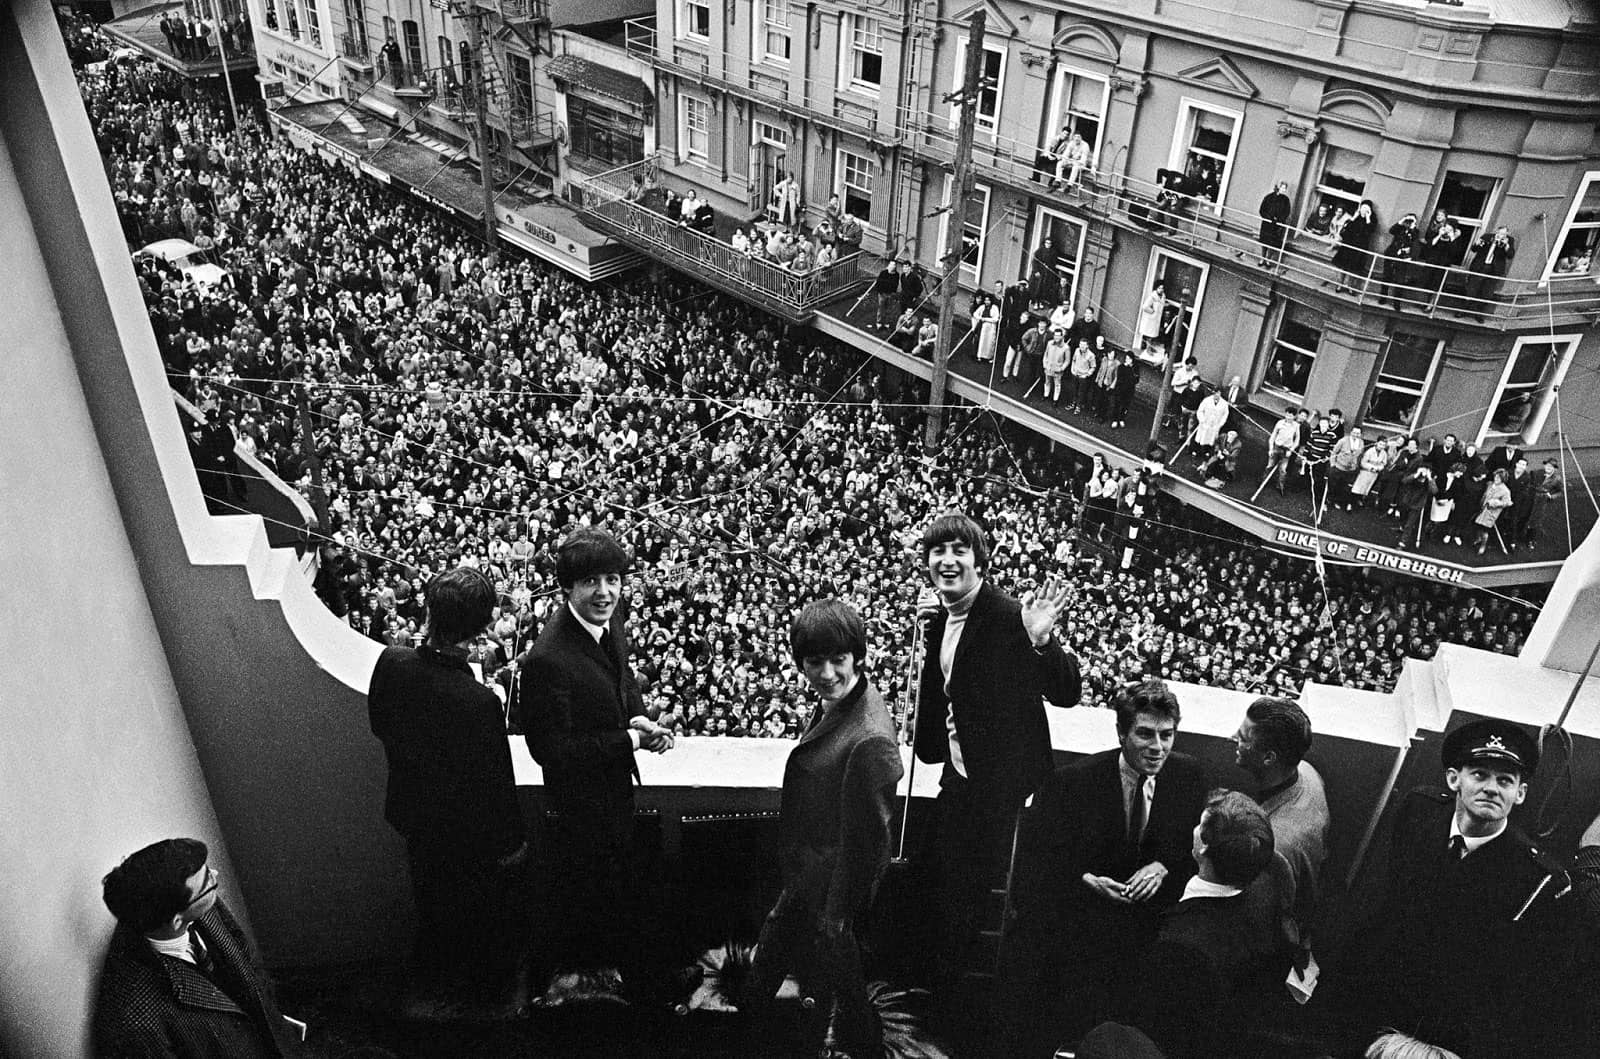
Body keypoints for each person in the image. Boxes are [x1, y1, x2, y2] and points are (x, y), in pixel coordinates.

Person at [912, 513, 1080, 999]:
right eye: (938, 551)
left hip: (1002, 794)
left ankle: (953, 1001)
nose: (948, 561)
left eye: (959, 550)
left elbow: (1066, 691)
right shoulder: (941, 617)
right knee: (941, 888)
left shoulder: (1009, 616)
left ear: (979, 560)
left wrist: (1041, 640)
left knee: (970, 901)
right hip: (960, 778)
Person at [1001, 680, 1209, 1054]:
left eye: (1167, 735)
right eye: (1145, 734)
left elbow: (1189, 850)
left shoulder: (1189, 776)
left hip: (1148, 933)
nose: (1157, 748)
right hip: (1082, 929)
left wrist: (1162, 866)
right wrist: (1086, 880)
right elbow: (1038, 860)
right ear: (1121, 734)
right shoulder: (1074, 783)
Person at [1344, 719, 1566, 1058]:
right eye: (1479, 775)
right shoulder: (1419, 812)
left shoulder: (1534, 879)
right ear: (1453, 779)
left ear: (1519, 794)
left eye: (1505, 781)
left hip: (1437, 1025)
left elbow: (1505, 983)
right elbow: (1380, 898)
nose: (1492, 788)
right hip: (1373, 990)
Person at [517, 527, 675, 988]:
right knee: (590, 898)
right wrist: (630, 741)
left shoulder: (608, 619)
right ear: (567, 587)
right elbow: (549, 750)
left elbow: (621, 678)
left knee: (618, 888)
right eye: (591, 582)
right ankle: (592, 989)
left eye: (613, 580)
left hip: (615, 796)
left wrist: (640, 717)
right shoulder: (547, 658)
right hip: (580, 809)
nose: (605, 592)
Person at [745, 600, 904, 1058]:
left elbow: (869, 842)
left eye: (838, 660)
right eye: (815, 662)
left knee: (840, 973)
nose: (828, 672)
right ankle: (748, 1023)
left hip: (833, 885)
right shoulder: (845, 702)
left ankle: (865, 1043)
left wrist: (836, 914)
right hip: (811, 870)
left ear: (858, 656)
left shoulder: (870, 737)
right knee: (778, 942)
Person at [367, 565, 530, 1010]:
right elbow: (496, 785)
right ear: (480, 628)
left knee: (432, 908)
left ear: (428, 610)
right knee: (476, 920)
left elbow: (380, 724)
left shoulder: (391, 663)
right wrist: (512, 844)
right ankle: (477, 999)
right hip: (469, 840)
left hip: (414, 818)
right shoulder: (479, 703)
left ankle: (438, 987)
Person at [94, 838, 306, 1058]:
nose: (214, 875)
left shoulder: (194, 904)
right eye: (208, 882)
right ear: (176, 920)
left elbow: (246, 962)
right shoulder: (136, 1018)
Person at [1127, 791, 1281, 1059]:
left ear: (1205, 848)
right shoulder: (1264, 884)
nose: (1194, 829)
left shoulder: (1181, 947)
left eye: (1200, 825)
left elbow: (1155, 1019)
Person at [1231, 697, 1329, 974]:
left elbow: (1258, 925)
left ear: (1268, 757)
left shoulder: (1271, 846)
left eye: (1242, 739)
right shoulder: (1307, 772)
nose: (1233, 739)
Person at [1461, 225, 1514, 317]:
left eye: (1503, 234)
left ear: (1506, 235)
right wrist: (1477, 244)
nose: (1500, 235)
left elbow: (1510, 255)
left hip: (1494, 269)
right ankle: (1463, 311)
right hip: (1480, 266)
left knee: (1487, 292)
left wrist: (1506, 246)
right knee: (1471, 289)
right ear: (1496, 232)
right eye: (1499, 233)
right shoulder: (1487, 237)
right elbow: (1474, 250)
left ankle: (1479, 314)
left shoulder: (1509, 240)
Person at [1332, 200, 1378, 292]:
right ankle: (1339, 285)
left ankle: (1350, 287)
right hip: (1348, 245)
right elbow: (1345, 229)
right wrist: (1354, 217)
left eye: (1366, 209)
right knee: (1343, 267)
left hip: (1359, 247)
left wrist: (1368, 218)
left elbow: (1370, 231)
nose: (1363, 210)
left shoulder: (1372, 220)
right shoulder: (1355, 218)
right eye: (1362, 208)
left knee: (1353, 269)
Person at [1472, 467, 1513, 555]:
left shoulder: (1505, 491)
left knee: (1484, 529)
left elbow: (1508, 502)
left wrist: (1496, 503)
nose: (1496, 479)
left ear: (1503, 479)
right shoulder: (1490, 484)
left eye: (1499, 478)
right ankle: (1478, 539)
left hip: (1491, 513)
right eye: (1496, 476)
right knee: (1478, 525)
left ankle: (1483, 546)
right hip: (1482, 509)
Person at [1257, 182, 1292, 267]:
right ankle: (1262, 259)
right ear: (1279, 187)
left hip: (1277, 226)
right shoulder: (1269, 197)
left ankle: (1268, 260)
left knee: (1273, 243)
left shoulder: (1285, 200)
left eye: (1285, 188)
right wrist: (1268, 218)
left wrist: (1279, 220)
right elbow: (1262, 209)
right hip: (1267, 224)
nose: (1284, 190)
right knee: (1264, 242)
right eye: (1282, 188)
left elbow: (1286, 212)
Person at [870, 259, 900, 329]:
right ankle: (879, 322)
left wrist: (893, 293)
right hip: (882, 294)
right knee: (881, 308)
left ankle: (886, 322)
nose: (892, 266)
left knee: (888, 308)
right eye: (891, 265)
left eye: (894, 265)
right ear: (888, 265)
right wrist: (880, 292)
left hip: (890, 294)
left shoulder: (896, 275)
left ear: (895, 267)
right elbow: (878, 283)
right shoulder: (883, 273)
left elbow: (896, 284)